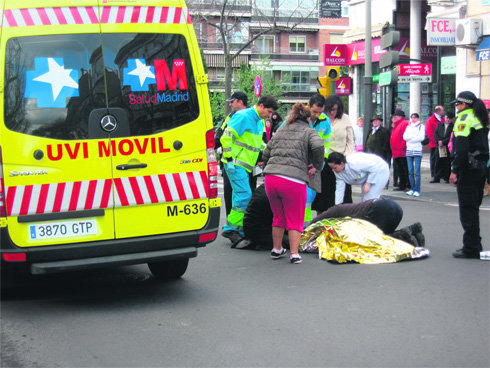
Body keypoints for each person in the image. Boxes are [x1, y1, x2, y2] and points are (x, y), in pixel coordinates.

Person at [262, 103, 324, 264]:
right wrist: (317, 166)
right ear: (308, 118)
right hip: (293, 180)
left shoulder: (281, 130)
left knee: (278, 216)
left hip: (271, 179)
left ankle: (276, 249)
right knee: (295, 218)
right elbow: (318, 145)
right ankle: (294, 253)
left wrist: (271, 166)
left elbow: (266, 151)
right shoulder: (309, 131)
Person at [220, 95, 278, 245]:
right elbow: (225, 138)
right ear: (261, 106)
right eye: (269, 111)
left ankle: (237, 229)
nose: (270, 115)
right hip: (235, 164)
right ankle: (230, 229)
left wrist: (271, 152)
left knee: (240, 197)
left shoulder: (259, 122)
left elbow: (257, 145)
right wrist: (229, 159)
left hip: (244, 166)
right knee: (245, 196)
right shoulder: (243, 116)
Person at [449, 91, 489, 259]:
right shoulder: (479, 118)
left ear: (464, 104)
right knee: (473, 209)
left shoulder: (464, 119)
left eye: (458, 104)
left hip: (468, 170)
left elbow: (462, 149)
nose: (457, 107)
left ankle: (471, 248)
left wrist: (455, 170)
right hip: (480, 169)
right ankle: (474, 244)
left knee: (467, 211)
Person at [310, 199, 425, 247]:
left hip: (380, 209)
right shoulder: (345, 208)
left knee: (375, 240)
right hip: (394, 208)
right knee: (385, 235)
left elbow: (317, 220)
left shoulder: (335, 211)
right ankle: (413, 234)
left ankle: (404, 237)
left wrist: (306, 226)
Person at [312, 95, 354, 212]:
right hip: (324, 161)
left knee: (343, 194)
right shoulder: (322, 119)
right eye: (330, 109)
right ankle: (323, 216)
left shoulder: (345, 118)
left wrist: (346, 157)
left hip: (341, 161)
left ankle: (341, 218)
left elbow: (350, 141)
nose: (332, 112)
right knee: (324, 195)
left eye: (335, 109)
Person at [214, 91, 250, 216]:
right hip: (229, 162)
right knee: (229, 193)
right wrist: (217, 146)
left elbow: (260, 139)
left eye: (232, 101)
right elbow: (220, 134)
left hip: (247, 164)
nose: (230, 104)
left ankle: (246, 223)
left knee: (246, 196)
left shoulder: (252, 117)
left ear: (240, 102)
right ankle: (231, 221)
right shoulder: (230, 116)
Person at [304, 94, 331, 224]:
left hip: (315, 166)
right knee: (300, 197)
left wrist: (319, 164)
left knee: (309, 197)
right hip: (299, 163)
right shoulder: (299, 117)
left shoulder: (325, 120)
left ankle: (305, 227)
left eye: (320, 112)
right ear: (308, 106)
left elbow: (327, 144)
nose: (317, 115)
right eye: (314, 111)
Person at [403, 113, 425, 197]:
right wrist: (413, 137)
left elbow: (421, 137)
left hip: (417, 150)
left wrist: (410, 138)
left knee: (417, 172)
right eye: (412, 118)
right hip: (409, 150)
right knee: (410, 171)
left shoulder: (421, 126)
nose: (413, 119)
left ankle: (417, 189)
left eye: (415, 118)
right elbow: (405, 137)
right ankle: (412, 188)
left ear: (418, 118)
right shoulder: (408, 127)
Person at [390, 109, 410, 191]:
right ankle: (402, 184)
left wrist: (402, 147)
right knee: (400, 169)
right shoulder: (397, 124)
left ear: (400, 117)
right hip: (396, 151)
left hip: (401, 151)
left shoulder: (404, 123)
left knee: (404, 168)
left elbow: (405, 136)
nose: (394, 118)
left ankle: (407, 184)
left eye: (396, 116)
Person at [434, 112, 455, 184]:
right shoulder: (440, 125)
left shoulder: (453, 126)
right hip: (439, 146)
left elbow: (451, 137)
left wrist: (443, 142)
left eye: (449, 118)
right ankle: (436, 177)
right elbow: (435, 133)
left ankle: (446, 177)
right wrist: (439, 141)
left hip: (447, 146)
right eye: (447, 118)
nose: (448, 119)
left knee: (447, 162)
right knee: (438, 162)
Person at [426, 105, 445, 182]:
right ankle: (434, 175)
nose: (443, 112)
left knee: (442, 159)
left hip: (442, 143)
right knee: (434, 160)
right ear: (438, 111)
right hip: (434, 144)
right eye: (442, 110)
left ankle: (442, 174)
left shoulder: (442, 119)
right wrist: (436, 141)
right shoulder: (431, 120)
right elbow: (429, 132)